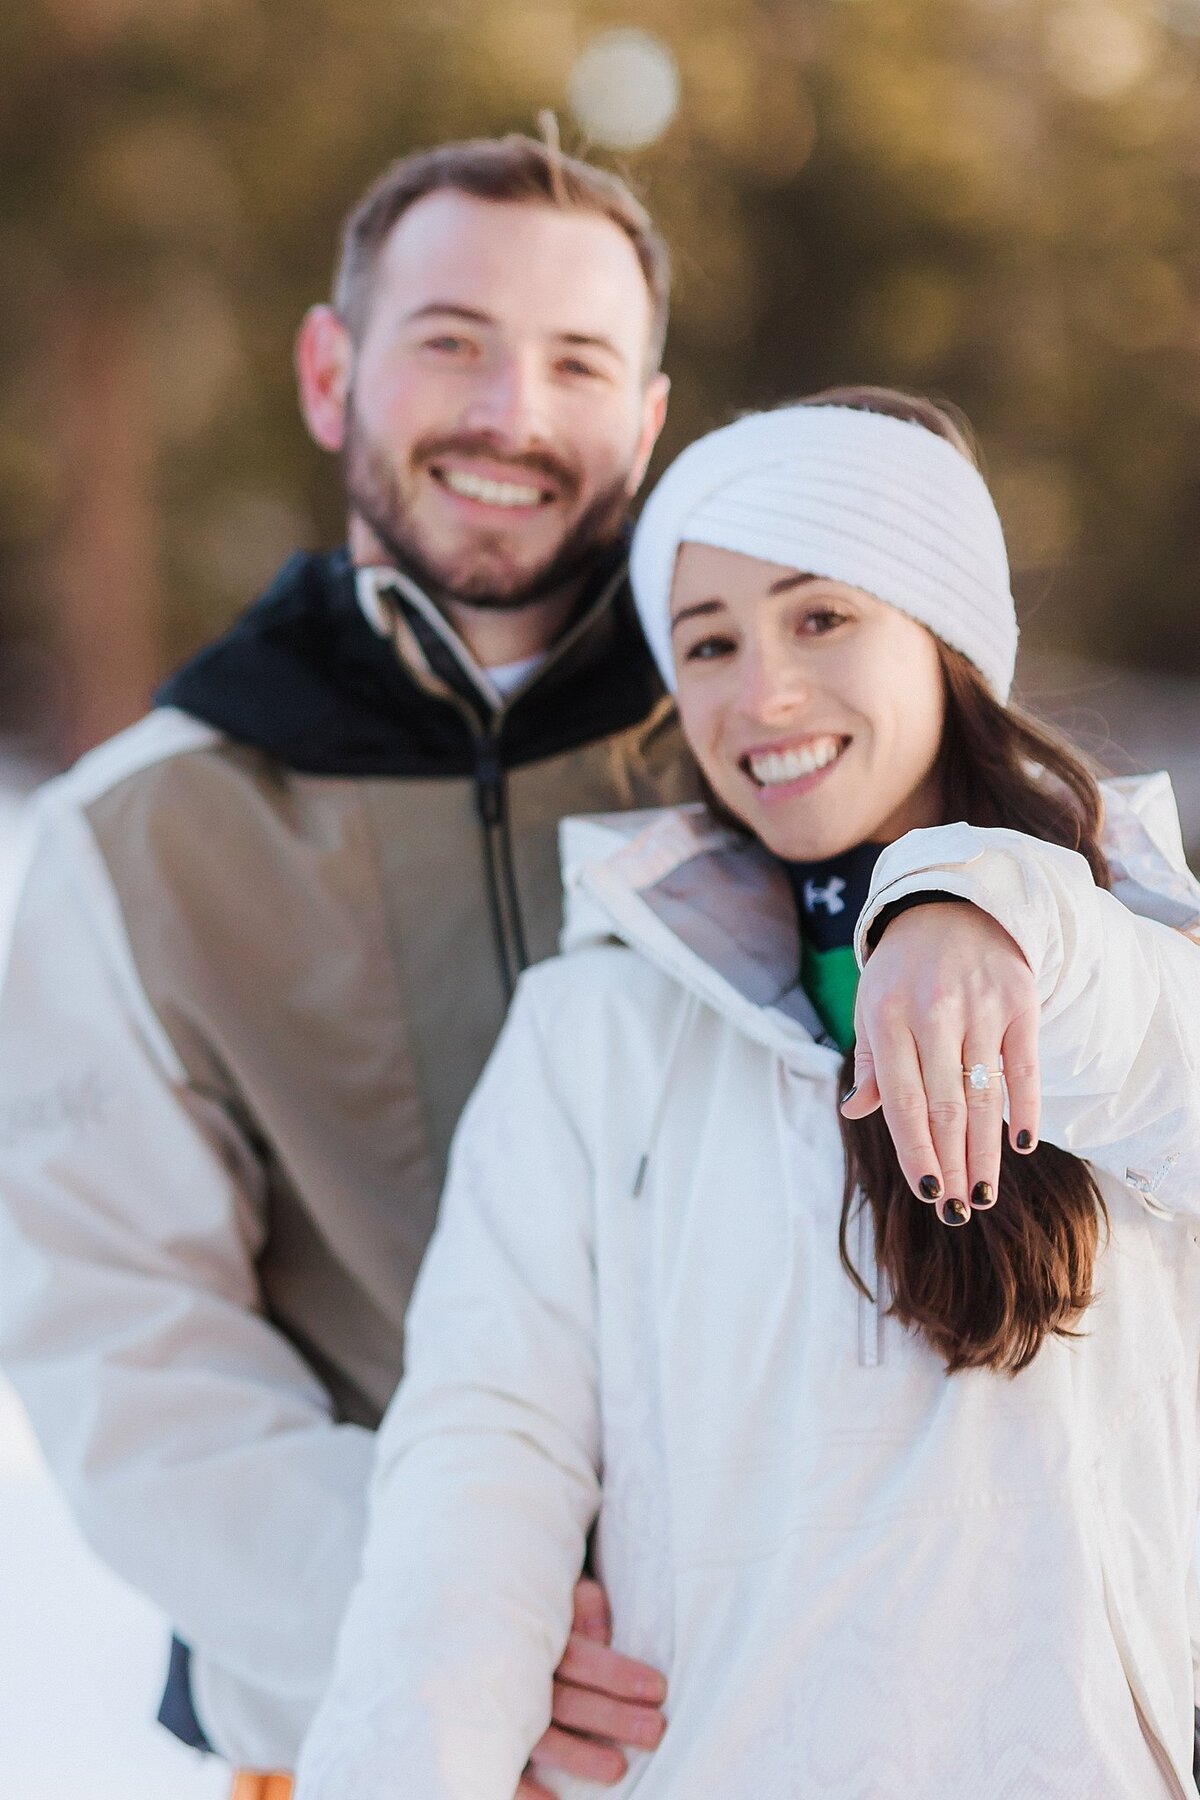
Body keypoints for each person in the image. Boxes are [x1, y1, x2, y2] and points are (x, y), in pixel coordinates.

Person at [294, 388, 1200, 1800]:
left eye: (820, 616)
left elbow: (1167, 1071)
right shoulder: (593, 1030)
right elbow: (485, 1462)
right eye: (708, 643)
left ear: (943, 631)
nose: (759, 692)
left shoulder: (1126, 962)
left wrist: (994, 903)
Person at [0, 133, 698, 1795]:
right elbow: (129, 1345)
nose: (510, 414)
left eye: (577, 361)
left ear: (651, 417)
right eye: (450, 339)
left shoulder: (779, 756)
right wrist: (457, 1653)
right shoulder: (143, 839)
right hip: (374, 1733)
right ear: (333, 371)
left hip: (795, 1699)